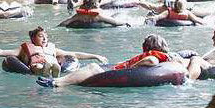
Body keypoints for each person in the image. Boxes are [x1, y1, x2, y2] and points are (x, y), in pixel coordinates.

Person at [39, 34, 173, 87]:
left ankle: (57, 83)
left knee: (92, 67)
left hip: (127, 73)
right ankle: (58, 81)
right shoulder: (164, 56)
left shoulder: (154, 56)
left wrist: (131, 67)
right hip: (128, 72)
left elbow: (151, 61)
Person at [0, 26, 107, 76]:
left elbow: (75, 54)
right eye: (41, 36)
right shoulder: (24, 49)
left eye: (46, 36)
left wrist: (95, 56)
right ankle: (47, 70)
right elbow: (1, 52)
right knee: (39, 66)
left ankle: (54, 70)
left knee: (54, 64)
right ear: (33, 38)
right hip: (37, 67)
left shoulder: (52, 48)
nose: (44, 39)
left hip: (53, 64)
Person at [60, 0, 131, 28]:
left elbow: (65, 23)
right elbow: (115, 22)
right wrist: (125, 23)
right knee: (117, 14)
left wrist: (58, 26)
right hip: (98, 23)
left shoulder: (79, 15)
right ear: (95, 5)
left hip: (83, 24)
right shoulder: (97, 15)